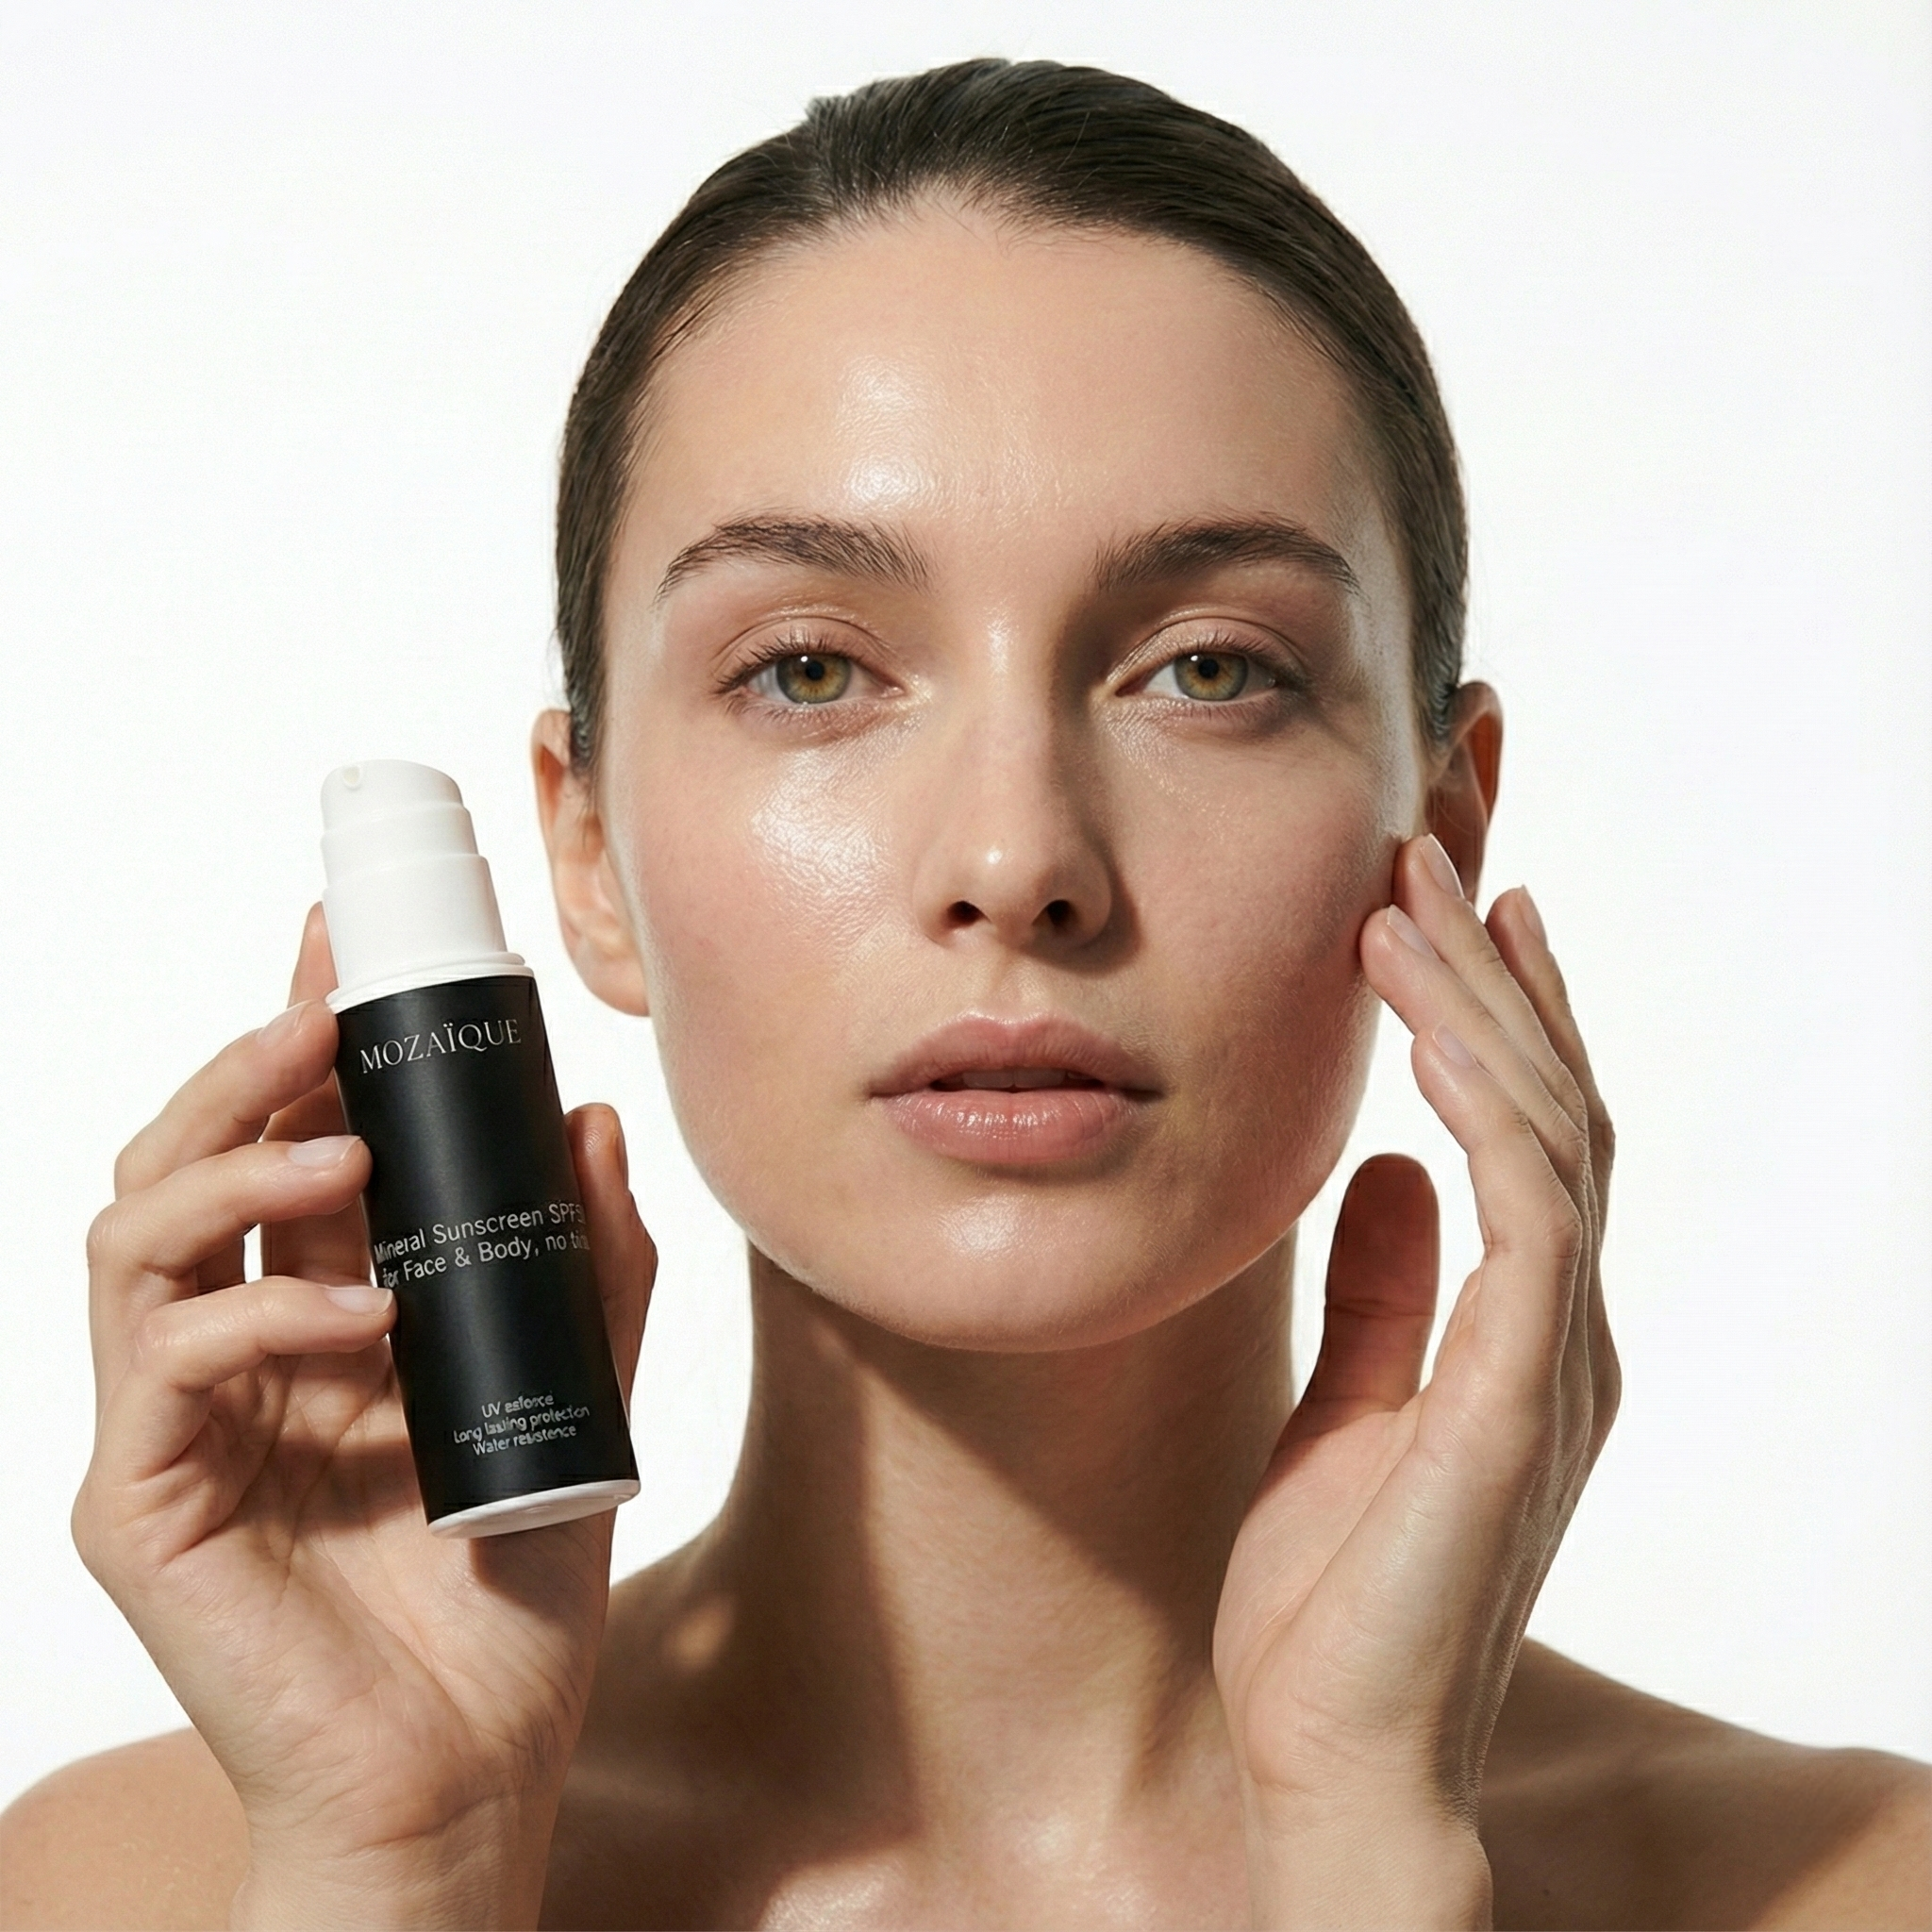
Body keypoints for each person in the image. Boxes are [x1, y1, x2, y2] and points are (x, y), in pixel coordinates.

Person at [2, 58, 1924, 1932]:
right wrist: (401, 1869)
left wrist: (1362, 1844)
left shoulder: (1850, 1888)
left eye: (1208, 669)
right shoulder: (147, 1891)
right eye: (816, 672)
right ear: (585, 855)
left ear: (1437, 820)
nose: (1016, 857)